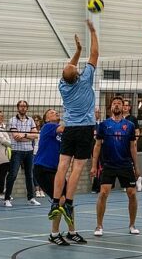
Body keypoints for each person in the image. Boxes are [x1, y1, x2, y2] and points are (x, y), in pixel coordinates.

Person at [48, 20, 99, 227]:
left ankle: (54, 202)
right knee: (77, 168)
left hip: (69, 129)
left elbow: (70, 68)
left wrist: (77, 50)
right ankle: (68, 202)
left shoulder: (63, 86)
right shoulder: (85, 78)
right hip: (85, 129)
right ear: (78, 73)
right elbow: (94, 54)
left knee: (62, 166)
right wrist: (93, 31)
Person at [34, 109, 87, 245]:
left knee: (68, 200)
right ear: (46, 119)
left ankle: (72, 232)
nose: (55, 113)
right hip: (43, 169)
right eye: (51, 112)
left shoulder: (63, 134)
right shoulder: (47, 127)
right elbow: (64, 128)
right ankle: (54, 234)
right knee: (61, 200)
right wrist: (79, 119)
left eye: (57, 112)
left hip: (57, 172)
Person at [91, 96, 140, 236]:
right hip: (109, 164)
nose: (117, 105)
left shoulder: (129, 125)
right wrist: (94, 166)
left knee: (132, 193)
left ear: (123, 107)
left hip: (125, 164)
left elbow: (133, 147)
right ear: (110, 107)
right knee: (104, 193)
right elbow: (97, 146)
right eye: (114, 103)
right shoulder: (104, 125)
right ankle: (99, 226)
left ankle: (132, 225)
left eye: (119, 103)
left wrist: (136, 167)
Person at [4, 100, 41, 207]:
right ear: (18, 107)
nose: (23, 108)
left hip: (29, 151)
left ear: (27, 108)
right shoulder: (12, 120)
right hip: (17, 151)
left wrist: (24, 135)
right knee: (13, 175)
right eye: (21, 106)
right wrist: (29, 136)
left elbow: (36, 135)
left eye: (25, 106)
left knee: (29, 175)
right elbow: (16, 137)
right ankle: (7, 198)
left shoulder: (30, 120)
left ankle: (31, 198)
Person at [122, 99, 142, 191]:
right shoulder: (119, 118)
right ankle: (127, 182)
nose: (125, 107)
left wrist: (134, 141)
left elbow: (137, 132)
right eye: (124, 105)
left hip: (131, 145)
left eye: (127, 105)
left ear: (129, 107)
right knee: (124, 163)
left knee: (133, 163)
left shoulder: (133, 119)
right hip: (122, 146)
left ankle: (138, 179)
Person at [32, 115, 45, 198]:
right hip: (34, 153)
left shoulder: (43, 130)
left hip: (42, 152)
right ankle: (37, 189)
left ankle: (42, 189)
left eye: (38, 120)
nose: (36, 122)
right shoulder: (32, 130)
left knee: (43, 172)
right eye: (35, 120)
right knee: (35, 171)